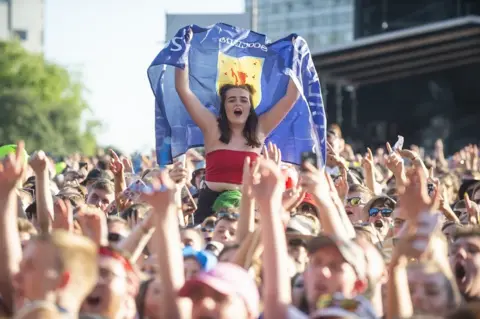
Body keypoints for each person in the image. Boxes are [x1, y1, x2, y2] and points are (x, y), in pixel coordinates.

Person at [175, 29, 300, 223]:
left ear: (250, 107)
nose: (238, 104)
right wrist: (183, 50)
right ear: (224, 107)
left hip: (247, 204)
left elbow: (291, 96)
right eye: (231, 100)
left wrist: (296, 55)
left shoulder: (260, 128)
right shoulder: (211, 126)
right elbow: (183, 89)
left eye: (243, 100)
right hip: (210, 205)